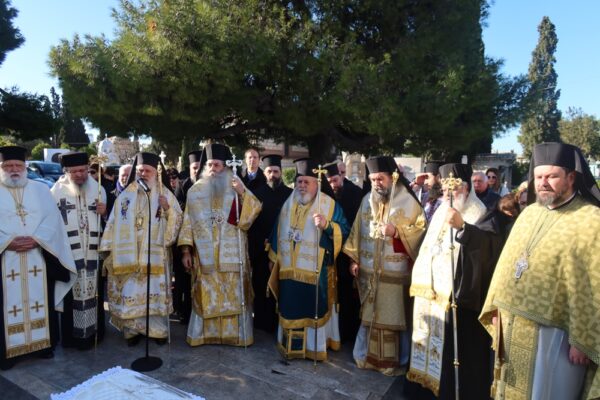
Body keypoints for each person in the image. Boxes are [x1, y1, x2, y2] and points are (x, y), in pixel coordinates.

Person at [480, 142, 600, 400]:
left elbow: (593, 283)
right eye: (539, 177)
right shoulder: (529, 214)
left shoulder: (591, 219)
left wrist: (584, 339)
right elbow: (506, 265)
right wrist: (496, 306)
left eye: (552, 176)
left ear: (571, 177)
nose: (543, 183)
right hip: (512, 322)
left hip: (557, 331)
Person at [408, 163, 504, 399]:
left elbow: (488, 249)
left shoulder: (481, 212)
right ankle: (423, 389)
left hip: (457, 296)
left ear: (467, 188)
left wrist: (463, 227)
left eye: (455, 188)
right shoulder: (441, 210)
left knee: (453, 351)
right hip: (430, 291)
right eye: (445, 189)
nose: (449, 194)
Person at [343, 156, 426, 375]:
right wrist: (354, 259)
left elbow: (421, 233)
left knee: (394, 320)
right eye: (372, 179)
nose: (376, 183)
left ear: (393, 177)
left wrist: (397, 232)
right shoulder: (366, 201)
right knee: (369, 317)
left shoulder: (408, 202)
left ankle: (396, 362)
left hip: (395, 275)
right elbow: (356, 232)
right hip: (369, 273)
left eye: (380, 178)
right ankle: (365, 357)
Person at [0, 146, 76, 370]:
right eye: (8, 166)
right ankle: (9, 353)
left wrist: (36, 240)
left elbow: (53, 220)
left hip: (39, 255)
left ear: (25, 166)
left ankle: (43, 347)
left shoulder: (41, 190)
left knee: (42, 300)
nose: (14, 170)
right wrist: (7, 242)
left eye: (18, 165)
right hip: (5, 258)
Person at [178, 143, 262, 346]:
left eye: (217, 165)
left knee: (234, 296)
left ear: (225, 166)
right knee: (205, 295)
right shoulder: (195, 191)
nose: (213, 169)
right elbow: (187, 222)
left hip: (232, 257)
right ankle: (203, 336)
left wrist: (242, 193)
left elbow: (253, 212)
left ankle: (236, 336)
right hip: (205, 256)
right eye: (210, 165)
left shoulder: (235, 186)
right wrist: (186, 251)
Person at [267, 158, 350, 361]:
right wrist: (273, 257)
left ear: (316, 184)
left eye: (306, 182)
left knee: (313, 307)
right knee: (290, 306)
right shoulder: (288, 204)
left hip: (316, 270)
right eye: (299, 182)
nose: (302, 186)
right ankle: (290, 347)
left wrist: (327, 225)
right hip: (289, 270)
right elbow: (277, 230)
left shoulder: (329, 205)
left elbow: (345, 231)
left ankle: (314, 348)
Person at [100, 152, 182, 346]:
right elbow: (113, 222)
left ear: (156, 172)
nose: (143, 174)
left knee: (154, 292)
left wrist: (167, 209)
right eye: (140, 171)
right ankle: (132, 331)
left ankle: (158, 331)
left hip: (155, 256)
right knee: (131, 292)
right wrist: (108, 248)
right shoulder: (125, 196)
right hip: (130, 257)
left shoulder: (165, 195)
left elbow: (178, 220)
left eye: (147, 171)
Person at [51, 152, 107, 350]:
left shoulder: (98, 189)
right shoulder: (56, 192)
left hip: (93, 253)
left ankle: (95, 333)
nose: (79, 175)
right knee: (70, 297)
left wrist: (104, 213)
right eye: (74, 171)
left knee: (95, 294)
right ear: (67, 172)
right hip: (69, 255)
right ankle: (71, 338)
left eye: (83, 170)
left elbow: (108, 223)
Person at [248, 154, 293, 332]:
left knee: (282, 286)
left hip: (284, 249)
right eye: (269, 171)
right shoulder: (256, 195)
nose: (272, 175)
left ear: (281, 172)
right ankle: (261, 322)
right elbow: (251, 223)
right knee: (261, 284)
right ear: (264, 173)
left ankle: (280, 322)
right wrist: (262, 240)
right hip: (262, 249)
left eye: (276, 171)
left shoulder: (290, 195)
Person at [324, 161, 363, 343]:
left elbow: (359, 225)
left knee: (348, 294)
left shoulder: (355, 193)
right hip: (329, 252)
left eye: (335, 180)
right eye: (329, 182)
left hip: (348, 252)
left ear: (341, 176)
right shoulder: (323, 195)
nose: (333, 185)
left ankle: (348, 334)